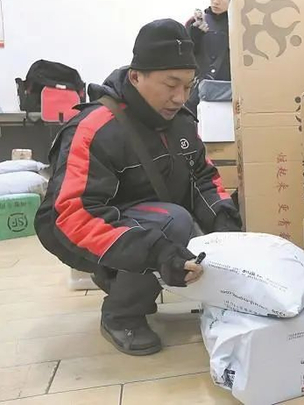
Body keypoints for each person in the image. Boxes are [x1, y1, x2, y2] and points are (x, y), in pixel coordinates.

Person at [34, 19, 243, 357]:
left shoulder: (182, 123)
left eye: (188, 86)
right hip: (91, 230)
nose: (180, 97)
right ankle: (122, 313)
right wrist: (157, 253)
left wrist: (223, 218)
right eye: (170, 84)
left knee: (214, 220)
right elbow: (72, 215)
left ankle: (139, 275)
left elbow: (203, 178)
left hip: (151, 220)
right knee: (173, 221)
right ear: (135, 76)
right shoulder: (95, 128)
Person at [184, 0, 240, 114]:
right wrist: (193, 37)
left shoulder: (240, 25)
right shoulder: (194, 22)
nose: (215, 1)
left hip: (229, 98)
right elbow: (183, 58)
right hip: (196, 100)